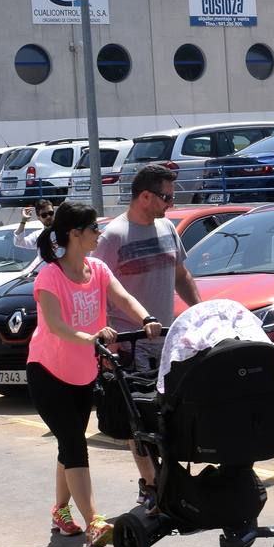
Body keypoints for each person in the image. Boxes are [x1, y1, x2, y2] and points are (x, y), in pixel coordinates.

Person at [29, 201, 161, 547]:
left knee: (67, 442)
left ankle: (60, 510)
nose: (98, 235)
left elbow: (123, 298)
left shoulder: (98, 269)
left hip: (83, 372)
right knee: (74, 442)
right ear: (75, 234)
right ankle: (94, 522)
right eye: (93, 230)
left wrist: (146, 319)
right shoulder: (49, 277)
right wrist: (90, 337)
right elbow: (56, 326)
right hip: (47, 372)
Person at [92, 164, 201, 509]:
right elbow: (96, 287)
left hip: (166, 342)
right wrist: (104, 336)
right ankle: (152, 485)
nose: (172, 202)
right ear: (145, 197)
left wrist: (200, 313)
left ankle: (168, 483)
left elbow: (181, 275)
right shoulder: (114, 237)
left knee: (167, 417)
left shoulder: (168, 227)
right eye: (167, 196)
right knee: (136, 421)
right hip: (129, 344)